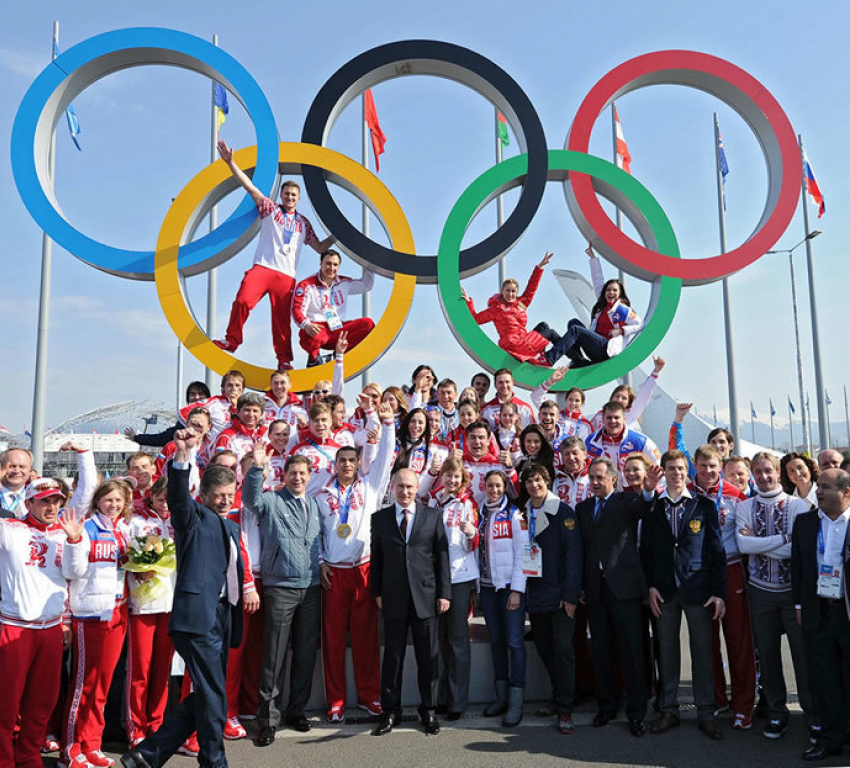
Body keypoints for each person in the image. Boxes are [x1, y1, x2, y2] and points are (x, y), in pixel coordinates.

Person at [122, 430, 245, 768]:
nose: (224, 500)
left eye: (229, 494)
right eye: (218, 495)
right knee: (214, 695)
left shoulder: (231, 527)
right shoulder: (193, 519)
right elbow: (177, 498)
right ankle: (213, 761)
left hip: (222, 617)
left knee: (207, 695)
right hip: (196, 618)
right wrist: (182, 457)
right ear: (203, 496)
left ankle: (148, 755)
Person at [213, 141, 334, 369]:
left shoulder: (303, 223)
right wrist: (231, 163)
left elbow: (319, 248)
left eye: (294, 195)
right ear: (281, 195)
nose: (290, 198)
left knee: (281, 322)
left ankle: (285, 360)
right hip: (263, 267)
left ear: (298, 199)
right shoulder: (269, 208)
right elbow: (249, 187)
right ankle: (231, 340)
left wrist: (338, 235)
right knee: (242, 301)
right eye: (287, 194)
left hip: (286, 276)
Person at [316, 401, 396, 723]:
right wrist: (320, 560)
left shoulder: (370, 485)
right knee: (333, 640)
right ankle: (335, 701)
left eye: (352, 460)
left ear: (358, 462)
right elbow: (315, 534)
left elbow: (387, 455)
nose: (348, 465)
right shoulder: (321, 493)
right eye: (343, 460)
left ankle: (370, 697)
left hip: (363, 570)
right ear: (335, 465)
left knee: (366, 639)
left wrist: (387, 423)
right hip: (333, 573)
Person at [0, 480, 87, 768]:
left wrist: (74, 540)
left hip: (50, 629)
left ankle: (28, 756)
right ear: (28, 504)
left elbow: (74, 573)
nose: (51, 507)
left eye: (56, 501)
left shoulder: (66, 533)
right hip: (15, 626)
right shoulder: (9, 529)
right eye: (44, 501)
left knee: (42, 702)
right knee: (6, 703)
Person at [642, 450, 726, 741]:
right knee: (667, 653)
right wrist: (651, 585)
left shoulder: (704, 506)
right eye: (670, 468)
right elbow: (647, 552)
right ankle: (668, 709)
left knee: (703, 652)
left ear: (687, 472)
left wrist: (718, 592)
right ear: (663, 472)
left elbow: (716, 551)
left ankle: (706, 712)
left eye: (680, 468)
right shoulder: (654, 507)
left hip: (698, 589)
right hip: (664, 591)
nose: (676, 472)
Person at [735, 452, 815, 741]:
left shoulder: (796, 506)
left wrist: (760, 544)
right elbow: (742, 544)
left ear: (778, 473)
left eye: (768, 471)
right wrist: (783, 539)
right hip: (760, 592)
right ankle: (777, 713)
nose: (764, 477)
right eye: (758, 472)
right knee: (767, 657)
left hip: (791, 593)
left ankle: (812, 714)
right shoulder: (745, 506)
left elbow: (797, 552)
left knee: (802, 656)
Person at [242, 453, 321, 746]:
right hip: (281, 587)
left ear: (309, 476)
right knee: (273, 656)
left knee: (304, 653)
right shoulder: (272, 500)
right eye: (292, 473)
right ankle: (268, 720)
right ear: (284, 475)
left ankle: (296, 711)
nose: (297, 478)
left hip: (311, 588)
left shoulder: (313, 504)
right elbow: (250, 499)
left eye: (302, 473)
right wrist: (257, 468)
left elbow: (316, 541)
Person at [370, 469, 451, 736]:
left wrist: (444, 593)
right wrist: (377, 592)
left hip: (426, 597)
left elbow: (442, 558)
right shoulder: (380, 519)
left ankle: (428, 710)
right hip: (392, 598)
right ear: (392, 487)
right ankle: (390, 712)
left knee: (428, 658)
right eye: (400, 486)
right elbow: (377, 560)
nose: (405, 492)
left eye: (410, 487)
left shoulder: (432, 516)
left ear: (418, 489)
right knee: (393, 658)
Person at [577, 457, 653, 737]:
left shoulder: (625, 502)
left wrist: (648, 490)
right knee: (602, 651)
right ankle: (606, 707)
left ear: (612, 478)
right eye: (591, 478)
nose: (595, 482)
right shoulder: (583, 508)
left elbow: (644, 507)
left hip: (625, 589)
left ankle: (636, 712)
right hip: (595, 591)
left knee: (632, 651)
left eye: (600, 478)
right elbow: (582, 550)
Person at [63, 479, 134, 768]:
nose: (114, 505)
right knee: (84, 684)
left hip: (118, 613)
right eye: (108, 500)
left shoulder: (125, 530)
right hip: (89, 615)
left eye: (119, 501)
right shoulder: (87, 527)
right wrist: (74, 540)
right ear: (97, 501)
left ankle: (92, 743)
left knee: (102, 686)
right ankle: (71, 748)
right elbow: (72, 571)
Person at [688, 445, 754, 728]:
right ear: (695, 466)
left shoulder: (736, 495)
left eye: (712, 466)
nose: (707, 471)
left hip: (730, 568)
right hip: (700, 574)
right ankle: (717, 699)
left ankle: (743, 706)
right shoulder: (687, 493)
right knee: (707, 643)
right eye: (702, 466)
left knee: (739, 642)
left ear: (720, 466)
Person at [791, 469, 850, 762]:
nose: (819, 492)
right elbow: (798, 569)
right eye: (819, 487)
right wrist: (800, 606)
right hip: (818, 612)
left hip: (847, 613)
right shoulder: (804, 522)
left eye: (826, 487)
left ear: (846, 493)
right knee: (824, 679)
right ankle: (830, 738)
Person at [522, 463, 584, 735]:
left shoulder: (564, 512)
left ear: (547, 481)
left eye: (538, 480)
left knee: (563, 652)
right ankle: (557, 697)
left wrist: (570, 595)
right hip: (535, 593)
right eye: (529, 482)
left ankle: (566, 708)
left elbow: (574, 556)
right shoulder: (521, 513)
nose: (534, 486)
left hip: (559, 595)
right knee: (545, 650)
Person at [417, 459, 479, 719]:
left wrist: (471, 533)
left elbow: (473, 542)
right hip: (435, 578)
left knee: (457, 641)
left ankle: (457, 701)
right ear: (441, 477)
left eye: (457, 477)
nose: (452, 481)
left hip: (459, 578)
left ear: (463, 479)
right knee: (440, 641)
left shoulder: (468, 503)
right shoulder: (433, 502)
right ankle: (441, 697)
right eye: (448, 476)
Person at [124, 476, 177, 749]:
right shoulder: (135, 521)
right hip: (143, 605)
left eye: (169, 499)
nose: (165, 504)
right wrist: (137, 568)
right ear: (151, 497)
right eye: (160, 499)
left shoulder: (181, 520)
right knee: (140, 670)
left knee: (162, 669)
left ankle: (156, 724)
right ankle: (136, 728)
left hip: (172, 604)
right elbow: (123, 555)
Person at [477, 469, 529, 727]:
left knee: (514, 643)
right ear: (483, 487)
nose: (494, 490)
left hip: (510, 588)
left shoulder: (515, 514)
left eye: (498, 486)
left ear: (505, 486)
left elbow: (525, 553)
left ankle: (516, 703)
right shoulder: (479, 513)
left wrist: (518, 590)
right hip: (487, 588)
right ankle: (501, 697)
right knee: (496, 641)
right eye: (490, 486)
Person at [541, 245, 643, 366]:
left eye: (615, 291)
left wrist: (621, 330)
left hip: (606, 350)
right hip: (595, 346)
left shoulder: (622, 309)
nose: (611, 293)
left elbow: (640, 324)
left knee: (576, 330)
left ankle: (549, 359)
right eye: (608, 290)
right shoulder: (603, 305)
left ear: (620, 294)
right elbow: (598, 281)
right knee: (573, 322)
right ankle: (577, 359)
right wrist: (593, 258)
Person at [462, 252, 557, 365]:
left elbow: (532, 287)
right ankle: (571, 356)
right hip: (513, 344)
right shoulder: (497, 308)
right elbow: (476, 319)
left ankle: (541, 357)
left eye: (513, 291)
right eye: (507, 290)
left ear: (516, 293)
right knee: (550, 333)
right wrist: (469, 302)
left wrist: (539, 268)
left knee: (543, 326)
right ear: (502, 292)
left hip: (523, 340)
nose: (510, 294)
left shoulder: (521, 303)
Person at [291, 249, 375, 367]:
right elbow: (296, 310)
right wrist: (306, 325)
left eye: (335, 264)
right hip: (319, 330)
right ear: (321, 264)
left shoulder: (342, 282)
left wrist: (369, 264)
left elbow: (366, 285)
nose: (331, 268)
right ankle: (314, 360)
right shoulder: (306, 285)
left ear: (339, 266)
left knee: (367, 324)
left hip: (338, 330)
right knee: (305, 333)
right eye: (328, 263)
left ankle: (338, 355)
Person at [585, 401, 661, 488]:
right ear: (603, 419)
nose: (613, 421)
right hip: (605, 493)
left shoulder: (640, 441)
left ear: (624, 419)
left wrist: (651, 491)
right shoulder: (590, 441)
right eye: (609, 417)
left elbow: (658, 466)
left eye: (616, 417)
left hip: (634, 493)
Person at [588, 357, 665, 432]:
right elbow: (586, 434)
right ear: (612, 398)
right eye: (617, 396)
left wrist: (656, 372)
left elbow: (643, 395)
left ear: (629, 402)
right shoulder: (599, 416)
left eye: (624, 398)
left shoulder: (631, 414)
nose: (619, 399)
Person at [125, 381, 211, 447]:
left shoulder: (217, 416)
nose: (196, 397)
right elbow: (163, 438)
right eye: (192, 394)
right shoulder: (183, 421)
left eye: (201, 394)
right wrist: (137, 438)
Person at [214, 393, 269, 461]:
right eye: (247, 410)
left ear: (261, 415)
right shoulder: (225, 437)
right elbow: (219, 466)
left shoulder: (268, 435)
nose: (251, 415)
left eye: (255, 411)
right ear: (238, 411)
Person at [553, 437, 591, 507]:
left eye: (575, 453)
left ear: (585, 454)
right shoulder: (555, 478)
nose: (571, 457)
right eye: (567, 454)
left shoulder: (594, 476)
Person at [0, 447, 33, 517]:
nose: (17, 471)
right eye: (12, 466)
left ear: (30, 469)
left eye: (22, 467)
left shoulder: (38, 498)